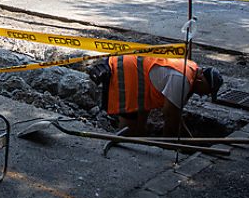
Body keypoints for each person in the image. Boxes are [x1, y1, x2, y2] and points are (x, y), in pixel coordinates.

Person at [88, 55, 223, 137]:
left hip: (138, 76)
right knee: (129, 129)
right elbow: (170, 116)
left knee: (139, 129)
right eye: (207, 91)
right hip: (126, 72)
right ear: (202, 80)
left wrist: (188, 140)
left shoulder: (191, 70)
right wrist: (168, 147)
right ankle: (121, 156)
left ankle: (135, 147)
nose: (204, 95)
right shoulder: (183, 79)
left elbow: (176, 115)